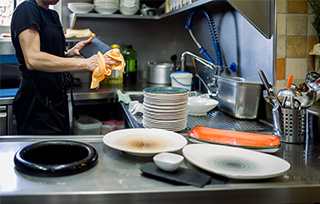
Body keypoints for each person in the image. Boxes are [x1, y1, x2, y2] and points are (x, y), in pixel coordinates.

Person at [10, 0, 119, 135]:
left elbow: (51, 57)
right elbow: (33, 59)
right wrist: (85, 63)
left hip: (57, 99)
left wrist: (69, 53)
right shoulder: (26, 9)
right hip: (36, 104)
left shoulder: (53, 15)